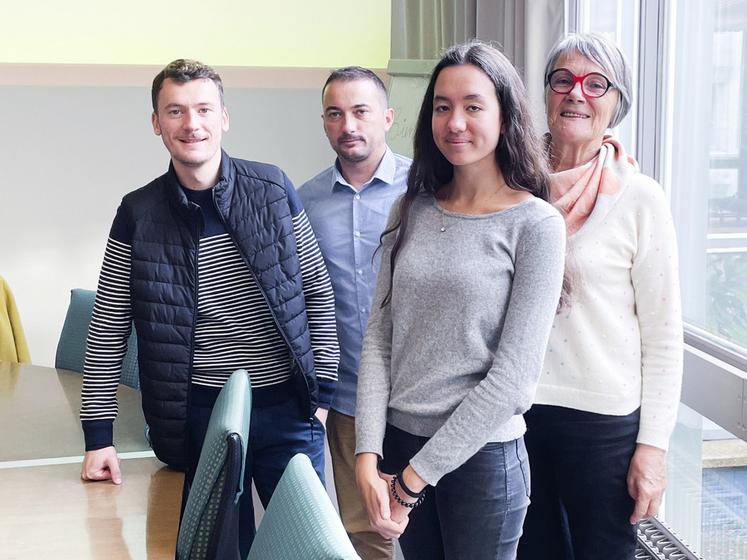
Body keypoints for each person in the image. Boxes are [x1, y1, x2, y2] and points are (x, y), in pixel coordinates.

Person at [78, 59, 339, 556]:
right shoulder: (138, 213)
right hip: (199, 416)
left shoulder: (272, 189)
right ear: (157, 123)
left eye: (203, 109)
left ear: (224, 117)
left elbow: (316, 291)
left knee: (305, 549)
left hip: (287, 408)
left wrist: (320, 398)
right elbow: (108, 329)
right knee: (213, 551)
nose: (190, 124)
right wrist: (98, 438)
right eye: (175, 111)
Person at [354, 41, 567, 560]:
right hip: (399, 448)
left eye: (473, 106)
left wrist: (412, 480)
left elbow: (514, 380)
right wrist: (367, 452)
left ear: (505, 114)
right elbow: (380, 338)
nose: (455, 122)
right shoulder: (411, 210)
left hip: (481, 461)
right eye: (443, 106)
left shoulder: (536, 224)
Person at [517, 33, 683, 560]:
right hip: (514, 411)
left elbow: (663, 335)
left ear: (617, 103)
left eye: (596, 83)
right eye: (562, 80)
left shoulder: (639, 198)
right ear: (545, 94)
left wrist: (652, 450)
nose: (576, 94)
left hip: (605, 425)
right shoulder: (510, 182)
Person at [298, 66, 410, 560]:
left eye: (361, 111)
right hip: (347, 399)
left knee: (433, 531)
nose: (349, 126)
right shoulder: (304, 203)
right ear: (324, 122)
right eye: (335, 114)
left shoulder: (428, 190)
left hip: (418, 396)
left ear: (386, 116)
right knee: (365, 532)